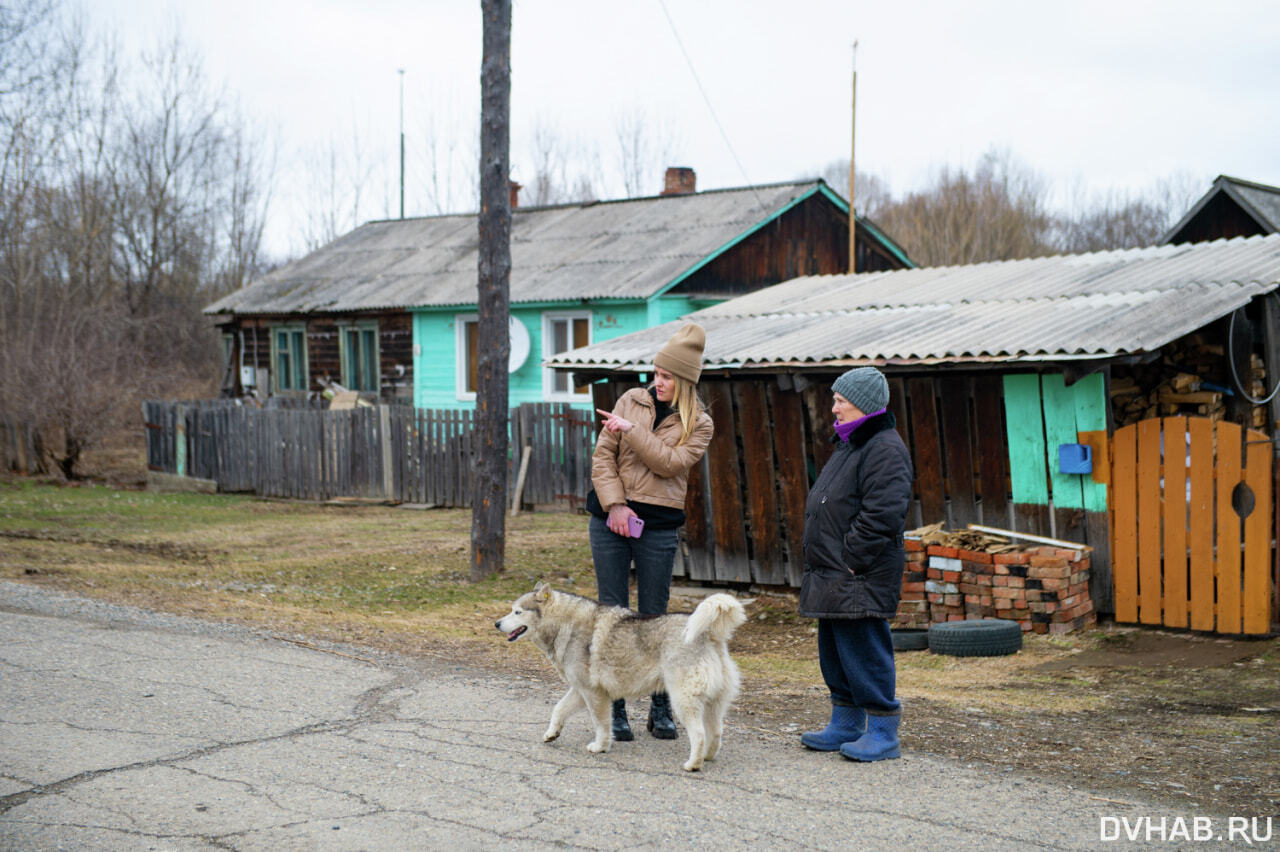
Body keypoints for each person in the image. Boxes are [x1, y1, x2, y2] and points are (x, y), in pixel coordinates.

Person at [586, 322, 714, 743]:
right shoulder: (630, 399)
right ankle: (616, 706)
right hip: (609, 519)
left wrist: (632, 431)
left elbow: (669, 465)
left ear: (685, 381)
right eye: (656, 373)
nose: (656, 382)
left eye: (666, 377)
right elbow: (603, 456)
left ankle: (661, 705)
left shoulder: (701, 425)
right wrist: (616, 504)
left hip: (657, 526)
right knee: (612, 615)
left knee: (656, 618)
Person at [798, 366, 913, 762]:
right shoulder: (850, 445)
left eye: (840, 401)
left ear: (863, 405)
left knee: (865, 650)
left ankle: (882, 732)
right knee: (835, 650)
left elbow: (884, 513)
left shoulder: (884, 448)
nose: (834, 408)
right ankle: (845, 724)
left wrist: (850, 559)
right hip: (834, 572)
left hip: (858, 574)